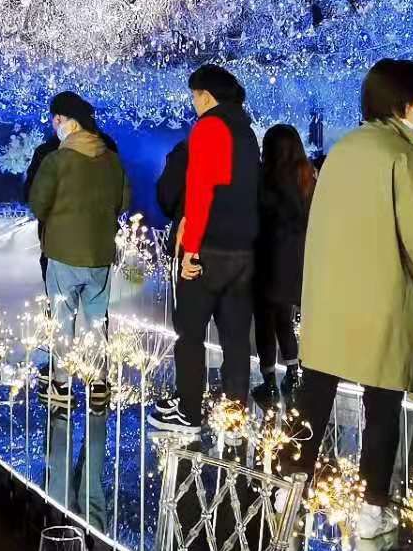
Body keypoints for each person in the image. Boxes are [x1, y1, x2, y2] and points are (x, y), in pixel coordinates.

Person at [295, 59, 413, 538]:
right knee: (381, 405)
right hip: (382, 297)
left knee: (314, 395)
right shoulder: (406, 157)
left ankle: (288, 488)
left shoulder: (343, 150)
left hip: (328, 297)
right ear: (403, 100)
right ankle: (372, 509)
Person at [148, 64, 259, 436]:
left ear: (206, 96)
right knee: (235, 339)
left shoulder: (210, 127)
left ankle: (189, 412)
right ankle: (235, 417)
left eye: (194, 96)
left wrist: (191, 250)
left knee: (190, 333)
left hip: (210, 249)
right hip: (243, 250)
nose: (193, 103)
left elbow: (200, 192)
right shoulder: (246, 132)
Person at [28, 92, 130, 409]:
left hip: (63, 252)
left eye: (57, 119)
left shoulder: (56, 159)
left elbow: (38, 203)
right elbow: (123, 202)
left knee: (62, 319)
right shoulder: (111, 158)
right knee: (97, 319)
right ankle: (99, 384)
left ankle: (61, 384)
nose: (54, 124)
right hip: (100, 253)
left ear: (69, 122)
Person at [253, 124, 314, 407]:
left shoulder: (264, 179)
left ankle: (268, 381)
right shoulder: (307, 178)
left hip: (266, 259)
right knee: (284, 319)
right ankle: (292, 373)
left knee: (265, 322)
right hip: (295, 262)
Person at [23, 131, 61, 285]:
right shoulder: (96, 148)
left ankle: (53, 295)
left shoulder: (44, 151)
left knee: (50, 257)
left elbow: (31, 186)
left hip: (50, 216)